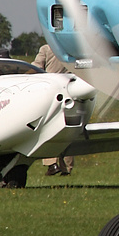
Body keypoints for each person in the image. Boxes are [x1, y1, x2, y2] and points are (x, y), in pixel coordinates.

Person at [33, 44, 75, 176]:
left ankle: (52, 163)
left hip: (51, 93)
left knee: (47, 129)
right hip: (70, 92)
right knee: (68, 131)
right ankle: (67, 167)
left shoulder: (46, 49)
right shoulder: (70, 48)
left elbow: (36, 67)